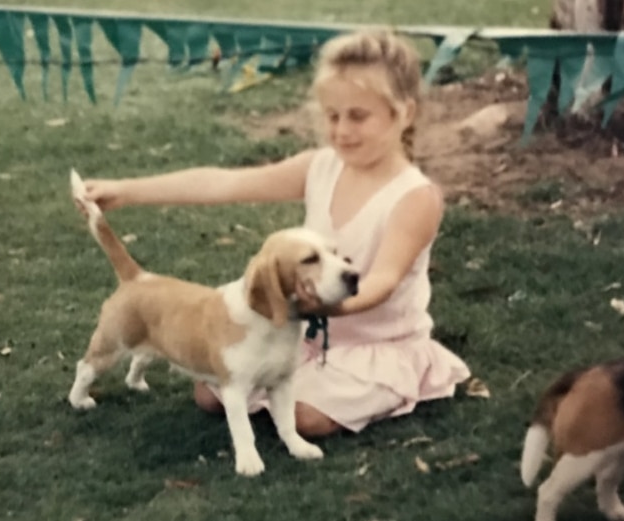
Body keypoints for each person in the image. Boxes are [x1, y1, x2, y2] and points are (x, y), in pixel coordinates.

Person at [79, 28, 471, 438]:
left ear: (404, 114)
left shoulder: (414, 196)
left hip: (375, 342)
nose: (341, 131)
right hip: (302, 333)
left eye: (358, 116)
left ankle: (379, 387)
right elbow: (225, 184)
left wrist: (331, 309)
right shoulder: (322, 166)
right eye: (332, 116)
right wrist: (127, 192)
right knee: (210, 394)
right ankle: (292, 380)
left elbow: (382, 282)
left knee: (307, 419)